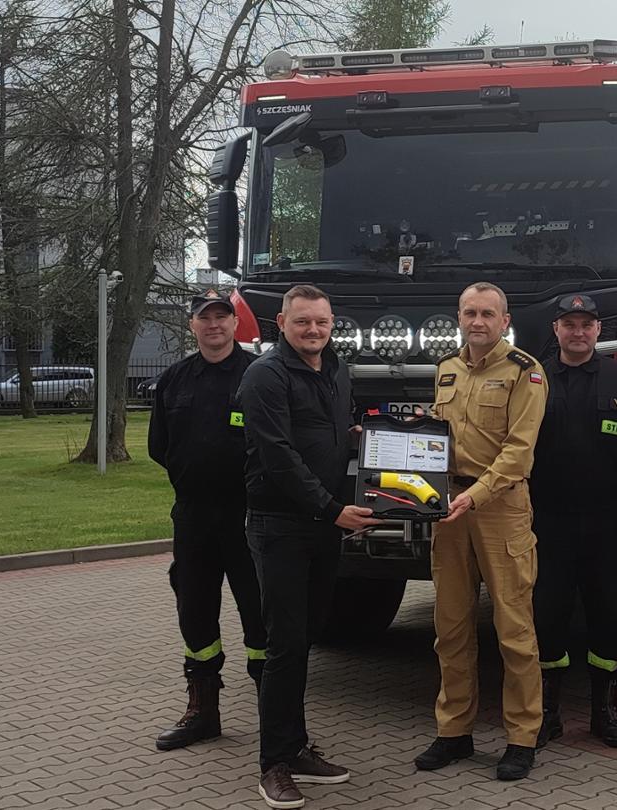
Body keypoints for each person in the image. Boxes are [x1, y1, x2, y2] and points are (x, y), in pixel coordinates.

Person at [237, 284, 382, 809]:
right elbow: (277, 456)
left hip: (324, 527)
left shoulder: (335, 370)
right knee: (284, 646)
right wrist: (332, 509)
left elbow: (333, 436)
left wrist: (380, 438)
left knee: (307, 638)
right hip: (280, 527)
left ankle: (296, 747)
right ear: (282, 322)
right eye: (303, 323)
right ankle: (272, 764)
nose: (314, 331)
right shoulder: (265, 377)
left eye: (322, 322)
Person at [413, 282, 549, 781]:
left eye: (487, 313)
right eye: (470, 312)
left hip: (500, 508)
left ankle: (522, 736)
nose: (478, 321)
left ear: (504, 318)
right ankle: (454, 731)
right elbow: (439, 437)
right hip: (448, 508)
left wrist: (476, 494)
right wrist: (390, 439)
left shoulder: (525, 372)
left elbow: (519, 451)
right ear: (459, 317)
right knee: (450, 626)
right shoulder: (446, 368)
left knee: (514, 630)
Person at [528, 294, 617, 749]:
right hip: (548, 523)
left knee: (611, 617)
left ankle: (607, 711)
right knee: (547, 618)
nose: (578, 332)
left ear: (599, 330)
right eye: (569, 324)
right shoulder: (534, 380)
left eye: (586, 324)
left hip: (606, 523)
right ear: (556, 329)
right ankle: (546, 714)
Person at [147, 291, 263, 752]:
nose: (213, 325)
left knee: (260, 615)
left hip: (249, 516)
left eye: (221, 317)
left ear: (235, 324)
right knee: (194, 610)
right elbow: (160, 446)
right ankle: (202, 711)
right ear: (192, 325)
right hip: (193, 517)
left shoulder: (259, 375)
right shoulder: (175, 379)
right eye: (204, 318)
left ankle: (273, 717)